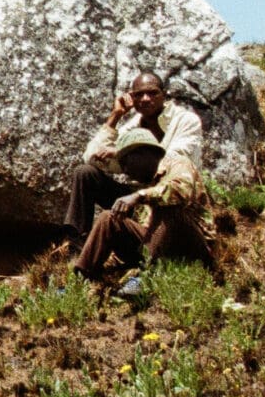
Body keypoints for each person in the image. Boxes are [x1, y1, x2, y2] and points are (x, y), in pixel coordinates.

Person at [65, 71, 214, 283]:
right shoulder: (134, 126)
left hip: (183, 230)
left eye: (152, 93)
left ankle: (145, 278)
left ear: (164, 95)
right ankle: (79, 272)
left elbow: (174, 169)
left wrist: (123, 156)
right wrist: (116, 116)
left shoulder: (185, 122)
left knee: (167, 205)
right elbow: (92, 158)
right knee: (91, 184)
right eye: (139, 95)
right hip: (148, 213)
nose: (145, 99)